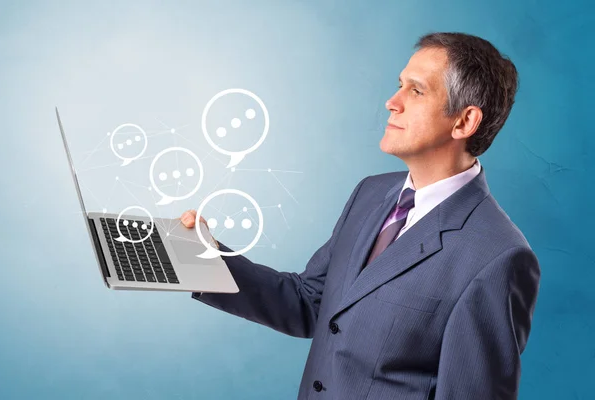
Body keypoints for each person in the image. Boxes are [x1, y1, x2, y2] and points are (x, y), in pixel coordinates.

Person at [180, 32, 540, 400]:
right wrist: (203, 258)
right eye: (399, 85)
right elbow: (310, 303)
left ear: (464, 122)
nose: (391, 102)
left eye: (416, 91)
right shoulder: (370, 194)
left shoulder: (498, 257)